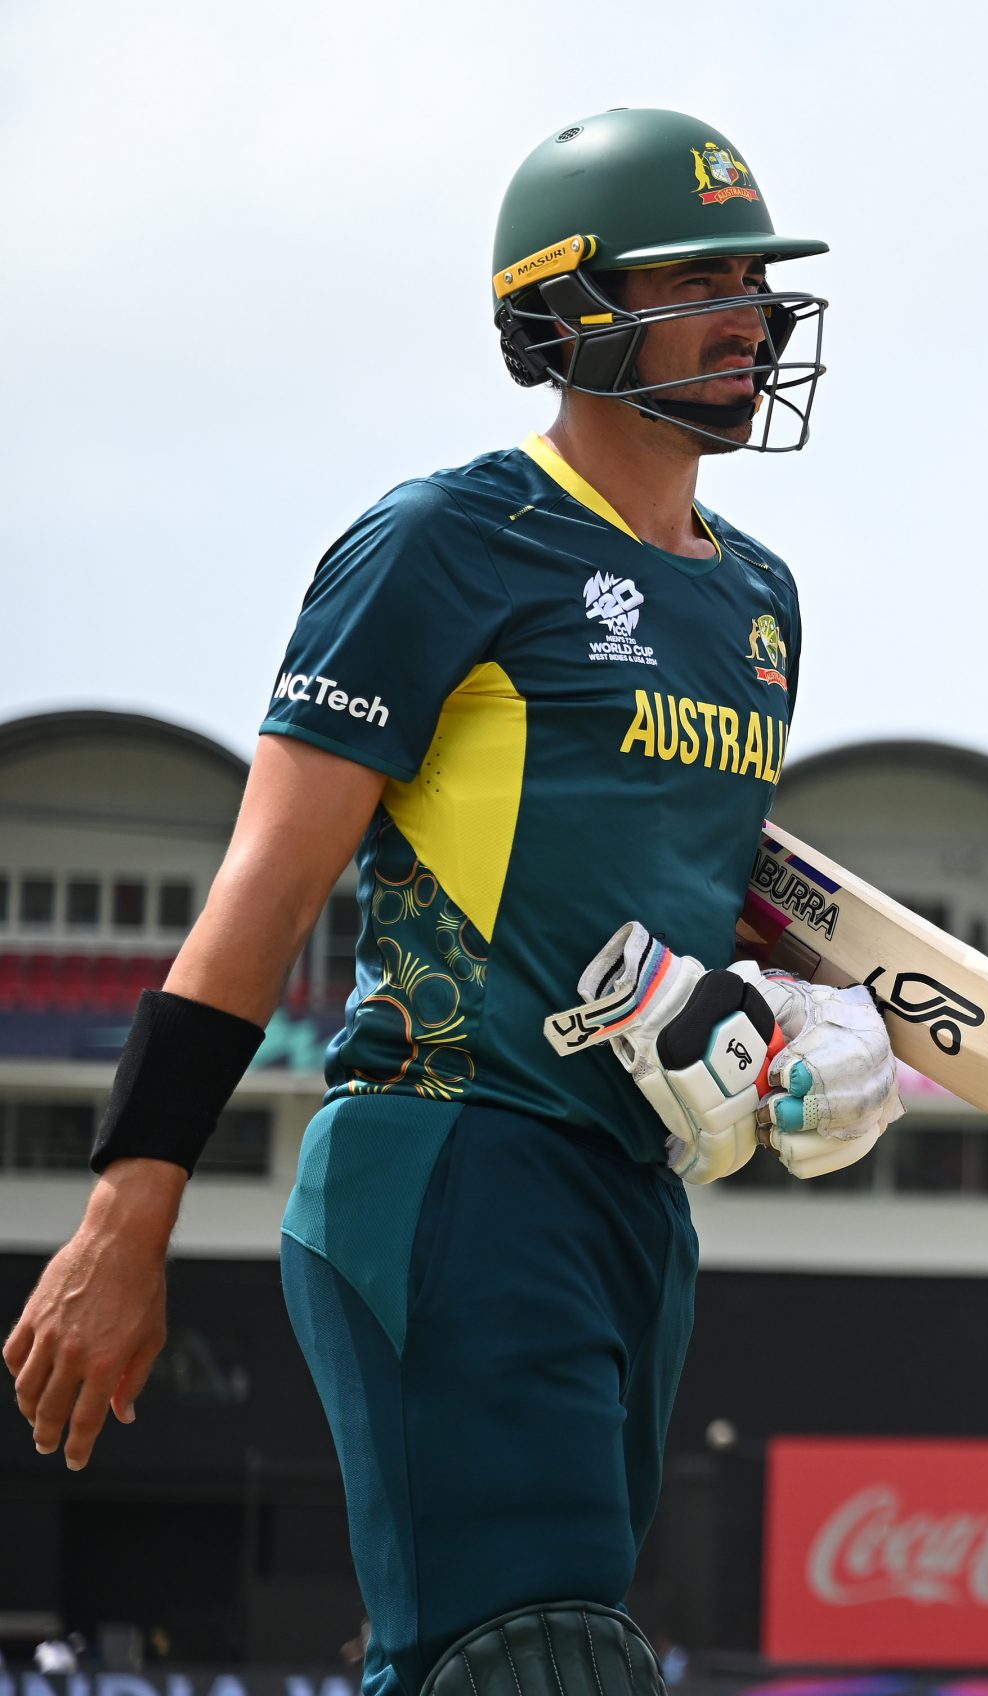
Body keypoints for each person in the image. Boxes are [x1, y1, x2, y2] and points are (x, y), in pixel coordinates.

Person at [3, 108, 901, 1696]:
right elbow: (270, 883)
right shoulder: (446, 541)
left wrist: (820, 1029)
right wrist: (126, 1211)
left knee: (516, 1659)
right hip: (453, 1155)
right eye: (701, 274)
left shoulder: (759, 600)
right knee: (534, 1660)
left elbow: (692, 885)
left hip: (633, 1195)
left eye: (759, 279)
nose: (751, 313)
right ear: (562, 312)